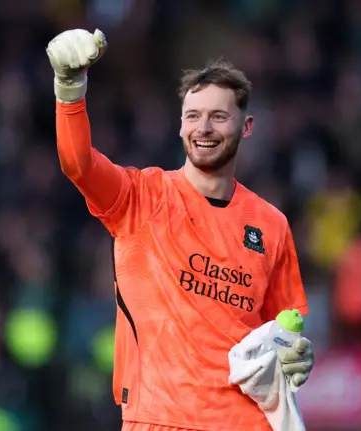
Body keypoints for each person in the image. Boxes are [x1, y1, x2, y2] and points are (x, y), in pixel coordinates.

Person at [46, 28, 315, 431]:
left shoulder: (271, 224)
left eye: (219, 116)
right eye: (193, 115)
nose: (203, 127)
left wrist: (296, 353)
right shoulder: (142, 197)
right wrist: (70, 88)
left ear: (246, 127)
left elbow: (282, 330)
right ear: (180, 126)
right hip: (159, 419)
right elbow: (77, 164)